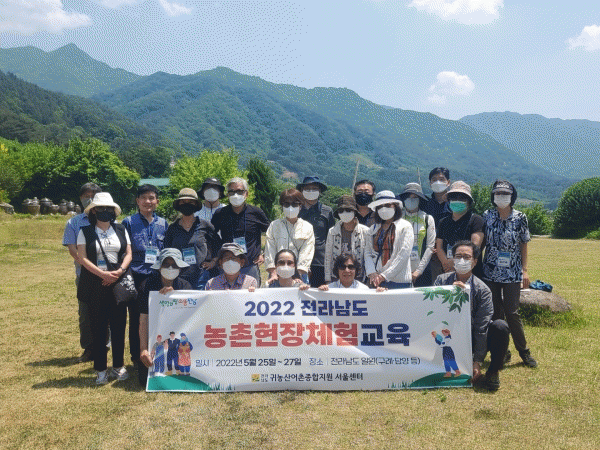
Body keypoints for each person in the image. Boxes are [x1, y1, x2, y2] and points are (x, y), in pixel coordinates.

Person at [435, 240, 510, 391]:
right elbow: (431, 310)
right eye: (458, 256)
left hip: (473, 336)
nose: (462, 260)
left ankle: (493, 372)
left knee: (500, 326)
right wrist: (451, 293)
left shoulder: (483, 290)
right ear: (453, 259)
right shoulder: (441, 281)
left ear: (475, 262)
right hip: (447, 335)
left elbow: (481, 327)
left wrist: (477, 361)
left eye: (467, 257)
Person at [76, 192, 132, 385]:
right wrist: (102, 274)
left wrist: (119, 271)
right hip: (95, 285)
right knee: (98, 328)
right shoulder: (85, 231)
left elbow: (128, 253)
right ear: (93, 211)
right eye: (101, 208)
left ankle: (118, 366)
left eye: (109, 208)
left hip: (117, 283)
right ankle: (100, 369)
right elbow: (82, 258)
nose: (105, 211)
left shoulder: (121, 229)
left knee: (119, 326)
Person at [482, 180, 537, 368]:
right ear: (493, 196)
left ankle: (524, 351)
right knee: (496, 314)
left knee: (512, 312)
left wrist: (524, 270)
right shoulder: (487, 216)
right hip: (490, 272)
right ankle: (501, 351)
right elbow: (481, 241)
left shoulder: (520, 217)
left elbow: (524, 243)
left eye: (505, 193)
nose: (501, 196)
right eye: (498, 193)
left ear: (512, 196)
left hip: (512, 272)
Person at [121, 184, 168, 369]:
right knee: (136, 317)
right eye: (144, 198)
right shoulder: (128, 222)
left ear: (157, 201)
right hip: (136, 275)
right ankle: (136, 357)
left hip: (157, 276)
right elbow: (124, 249)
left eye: (152, 198)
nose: (148, 201)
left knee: (157, 316)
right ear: (137, 201)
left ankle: (156, 353)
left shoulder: (163, 223)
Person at [138, 248, 193, 385]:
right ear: (159, 267)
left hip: (178, 339)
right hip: (156, 339)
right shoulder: (146, 286)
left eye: (174, 265)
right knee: (144, 379)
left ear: (180, 268)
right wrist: (143, 349)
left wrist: (175, 296)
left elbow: (191, 318)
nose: (170, 268)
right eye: (166, 264)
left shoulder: (185, 286)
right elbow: (143, 320)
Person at [62, 182, 103, 363]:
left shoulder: (109, 220)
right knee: (85, 313)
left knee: (106, 312)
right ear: (80, 198)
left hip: (107, 276)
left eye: (93, 195)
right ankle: (88, 348)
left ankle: (105, 346)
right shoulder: (74, 222)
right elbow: (73, 250)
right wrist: (91, 268)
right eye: (86, 196)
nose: (90, 199)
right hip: (84, 275)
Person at [211, 177, 270, 284]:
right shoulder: (220, 214)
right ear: (227, 195)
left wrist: (264, 254)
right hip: (227, 265)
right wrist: (217, 256)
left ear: (246, 194)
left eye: (239, 191)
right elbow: (211, 237)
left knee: (251, 293)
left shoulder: (256, 212)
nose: (235, 195)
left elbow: (271, 234)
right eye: (231, 192)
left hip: (250, 265)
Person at [164, 188, 220, 289]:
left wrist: (213, 262)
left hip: (201, 275)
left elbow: (218, 245)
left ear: (196, 205)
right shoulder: (172, 228)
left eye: (190, 202)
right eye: (183, 202)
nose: (187, 205)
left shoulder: (205, 225)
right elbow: (166, 250)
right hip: (179, 276)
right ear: (179, 205)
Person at [364, 191, 414, 289]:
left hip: (399, 281)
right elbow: (368, 252)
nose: (383, 209)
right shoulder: (373, 229)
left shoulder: (405, 226)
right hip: (377, 280)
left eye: (387, 205)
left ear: (395, 206)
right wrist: (372, 272)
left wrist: (385, 275)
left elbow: (403, 254)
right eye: (380, 207)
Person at [264, 189, 315, 285]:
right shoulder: (274, 225)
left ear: (300, 206)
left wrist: (298, 274)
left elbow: (307, 251)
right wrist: (273, 272)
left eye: (294, 204)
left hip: (299, 275)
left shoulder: (307, 227)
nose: (290, 207)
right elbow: (269, 250)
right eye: (286, 204)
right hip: (277, 274)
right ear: (282, 206)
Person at [435, 181, 485, 278]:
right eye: (454, 197)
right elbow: (439, 247)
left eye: (462, 198)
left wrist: (454, 262)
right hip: (447, 270)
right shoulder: (443, 222)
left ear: (468, 202)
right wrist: (446, 263)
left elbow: (475, 246)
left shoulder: (476, 220)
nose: (457, 200)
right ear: (449, 200)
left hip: (470, 271)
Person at [297, 176, 335, 288]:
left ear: (320, 191)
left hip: (319, 260)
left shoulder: (327, 211)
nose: (311, 191)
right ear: (302, 191)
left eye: (314, 189)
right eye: (307, 189)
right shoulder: (296, 209)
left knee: (319, 292)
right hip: (299, 259)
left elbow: (331, 235)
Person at [324, 195, 370, 283]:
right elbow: (328, 256)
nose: (345, 213)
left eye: (348, 210)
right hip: (336, 276)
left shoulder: (365, 231)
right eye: (341, 211)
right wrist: (327, 278)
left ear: (354, 212)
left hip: (358, 277)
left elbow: (368, 256)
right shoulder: (332, 231)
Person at [399, 183, 436, 287]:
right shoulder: (397, 218)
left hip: (422, 271)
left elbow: (430, 247)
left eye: (415, 197)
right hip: (400, 270)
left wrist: (418, 271)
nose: (411, 200)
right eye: (408, 197)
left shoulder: (427, 219)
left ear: (420, 199)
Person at [423, 168, 452, 282]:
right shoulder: (425, 205)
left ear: (448, 182)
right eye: (434, 180)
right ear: (430, 183)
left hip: (451, 255)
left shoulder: (454, 204)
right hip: (430, 256)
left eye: (441, 179)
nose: (437, 182)